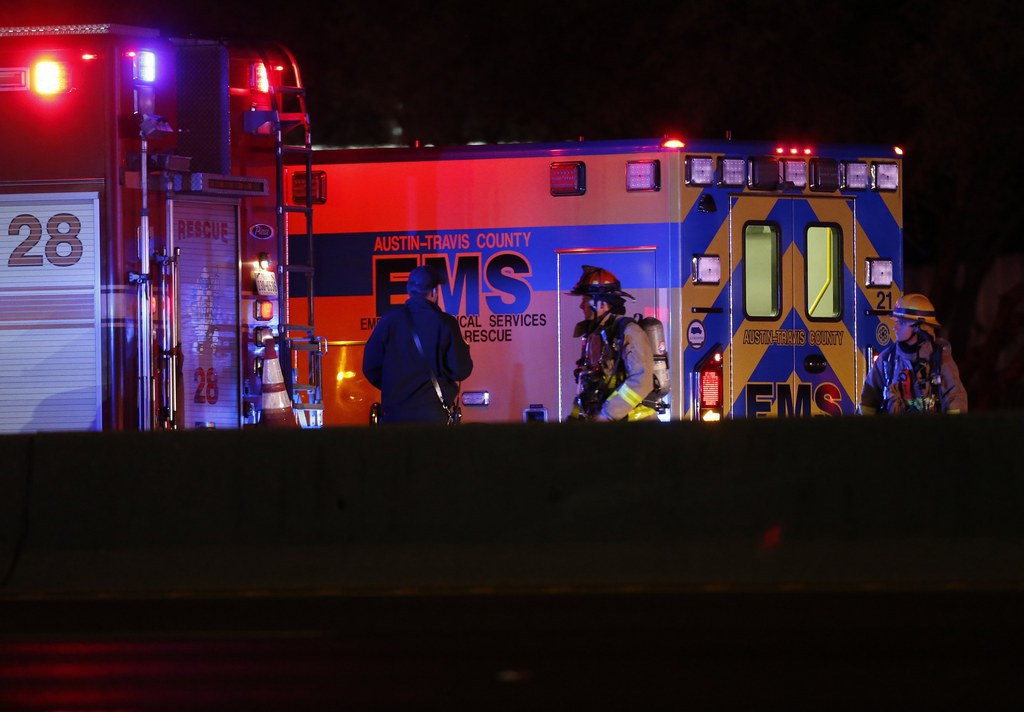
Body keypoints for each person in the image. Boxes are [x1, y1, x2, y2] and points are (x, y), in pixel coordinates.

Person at [362, 265, 473, 424]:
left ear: (409, 291)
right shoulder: (446, 323)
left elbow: (370, 367)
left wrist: (395, 387)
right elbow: (460, 371)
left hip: (394, 417)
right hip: (433, 418)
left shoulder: (388, 321)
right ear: (434, 292)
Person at [565, 265, 660, 422]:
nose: (581, 306)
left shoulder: (629, 332)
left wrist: (606, 416)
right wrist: (573, 421)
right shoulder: (594, 334)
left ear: (601, 304)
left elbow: (641, 380)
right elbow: (588, 383)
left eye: (586, 300)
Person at [860, 293, 967, 415]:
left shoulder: (940, 359)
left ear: (919, 328)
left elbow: (956, 400)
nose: (895, 327)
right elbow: (867, 404)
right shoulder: (887, 359)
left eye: (902, 322)